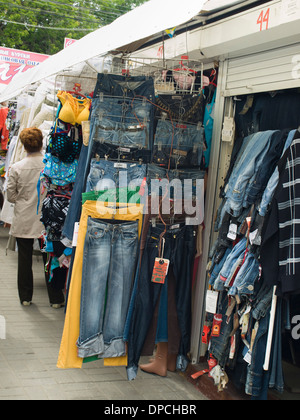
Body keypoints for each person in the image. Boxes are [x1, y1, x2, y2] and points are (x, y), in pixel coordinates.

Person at [6, 127, 65, 308]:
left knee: (24, 259)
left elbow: (10, 196)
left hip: (24, 217)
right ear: (41, 143)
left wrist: (23, 200)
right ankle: (55, 298)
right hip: (47, 218)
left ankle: (25, 297)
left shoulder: (16, 168)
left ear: (24, 146)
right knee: (50, 257)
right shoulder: (49, 166)